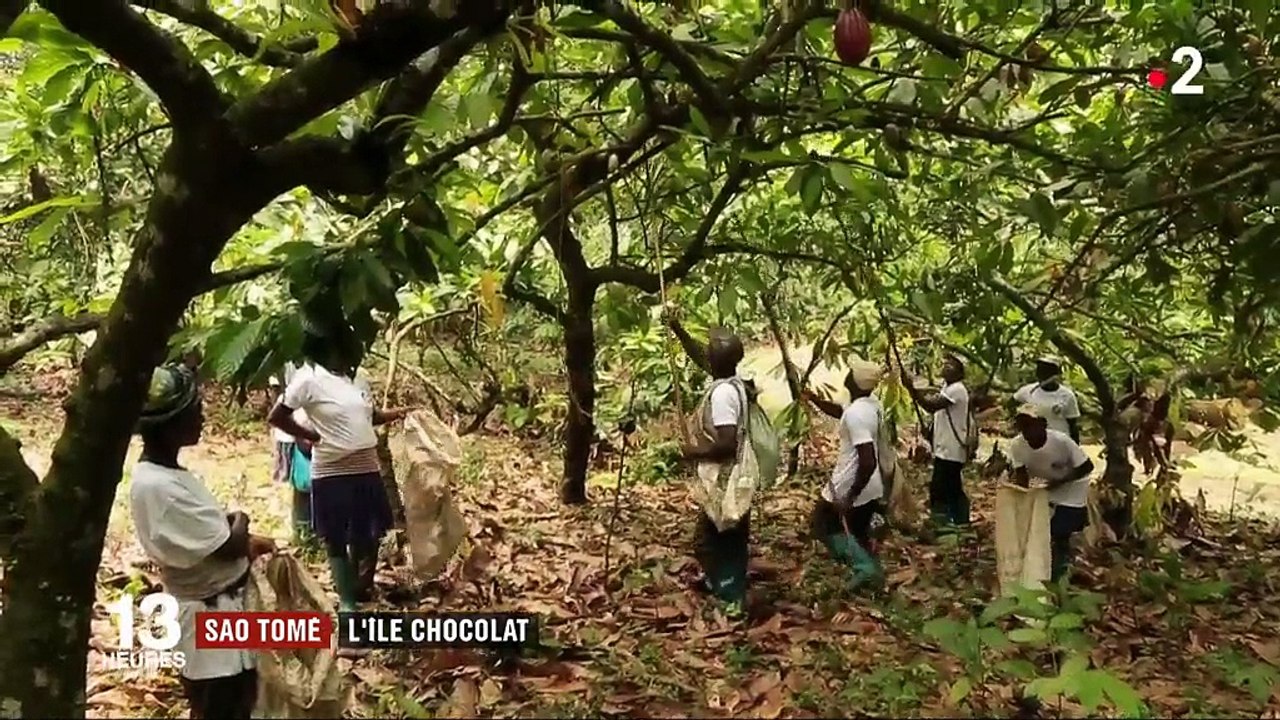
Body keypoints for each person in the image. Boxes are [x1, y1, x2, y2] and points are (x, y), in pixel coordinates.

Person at [129, 363, 277, 719]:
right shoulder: (156, 484)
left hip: (224, 610)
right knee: (220, 703)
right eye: (195, 410)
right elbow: (228, 545)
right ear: (169, 425)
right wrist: (240, 518)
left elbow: (212, 535)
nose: (203, 416)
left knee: (240, 700)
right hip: (208, 619)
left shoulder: (165, 474)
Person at [268, 322, 410, 612]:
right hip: (332, 470)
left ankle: (357, 590)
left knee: (366, 533)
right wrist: (310, 436)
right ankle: (346, 605)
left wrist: (398, 414)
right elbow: (277, 416)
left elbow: (369, 417)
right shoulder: (308, 379)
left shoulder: (353, 381)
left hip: (366, 468)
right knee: (335, 539)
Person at [665, 311, 754, 614]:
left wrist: (694, 452)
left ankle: (731, 596)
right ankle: (727, 586)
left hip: (725, 477)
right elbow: (697, 354)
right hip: (731, 476)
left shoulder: (723, 396)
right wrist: (677, 328)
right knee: (724, 535)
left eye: (710, 349)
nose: (706, 352)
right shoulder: (732, 382)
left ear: (717, 361)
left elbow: (727, 444)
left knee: (717, 539)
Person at [801, 361, 888, 590]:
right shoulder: (869, 405)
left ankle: (865, 569)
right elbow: (842, 412)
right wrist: (815, 400)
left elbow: (867, 460)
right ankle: (868, 572)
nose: (847, 374)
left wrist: (849, 496)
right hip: (871, 485)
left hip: (851, 481)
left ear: (857, 382)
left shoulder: (857, 414)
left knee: (822, 525)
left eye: (852, 373)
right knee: (855, 531)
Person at [1008, 404, 1094, 582]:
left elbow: (1087, 466)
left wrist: (1059, 482)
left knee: (1061, 530)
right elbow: (1021, 473)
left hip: (1072, 490)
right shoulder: (1017, 445)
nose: (1026, 431)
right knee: (1040, 529)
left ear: (1042, 424)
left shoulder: (1062, 441)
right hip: (1045, 490)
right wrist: (1020, 495)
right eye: (1022, 426)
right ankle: (1044, 570)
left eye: (1030, 425)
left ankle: (1061, 572)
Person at [906, 354, 972, 526]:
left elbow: (931, 406)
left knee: (945, 488)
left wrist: (912, 390)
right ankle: (953, 522)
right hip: (944, 448)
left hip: (952, 449)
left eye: (952, 365)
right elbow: (938, 412)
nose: (946, 367)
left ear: (960, 372)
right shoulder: (947, 387)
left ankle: (951, 522)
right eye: (946, 363)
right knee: (948, 487)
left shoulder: (957, 389)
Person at [268, 363, 314, 543]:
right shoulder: (284, 363)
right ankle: (303, 533)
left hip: (307, 428)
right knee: (302, 482)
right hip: (295, 430)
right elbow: (277, 399)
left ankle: (309, 533)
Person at [1014, 357, 1081, 443]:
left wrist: (1076, 449)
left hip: (1059, 444)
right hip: (1033, 444)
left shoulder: (1067, 395)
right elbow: (1011, 404)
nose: (1039, 374)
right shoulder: (1028, 391)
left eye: (1045, 370)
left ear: (1054, 374)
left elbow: (1073, 425)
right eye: (1039, 370)